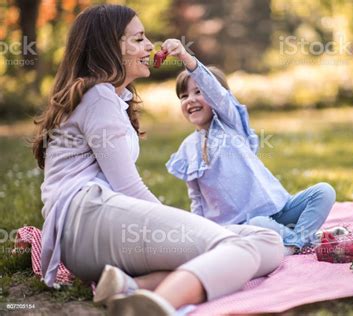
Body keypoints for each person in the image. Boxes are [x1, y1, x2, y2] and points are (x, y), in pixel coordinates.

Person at [32, 4, 284, 315]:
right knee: (237, 248)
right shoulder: (98, 97)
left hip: (96, 230)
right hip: (86, 220)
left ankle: (133, 288)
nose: (150, 45)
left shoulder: (109, 98)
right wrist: (181, 226)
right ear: (108, 48)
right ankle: (161, 305)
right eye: (138, 39)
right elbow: (127, 187)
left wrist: (187, 230)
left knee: (268, 242)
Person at [165, 40, 342, 256]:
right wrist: (202, 235)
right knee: (261, 224)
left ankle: (296, 242)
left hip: (279, 207)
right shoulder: (186, 149)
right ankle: (306, 240)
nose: (190, 100)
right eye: (183, 96)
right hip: (244, 224)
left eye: (198, 92)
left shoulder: (231, 124)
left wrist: (185, 57)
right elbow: (196, 198)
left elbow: (217, 94)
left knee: (324, 191)